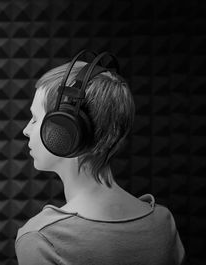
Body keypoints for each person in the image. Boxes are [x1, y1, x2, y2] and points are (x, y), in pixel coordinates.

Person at [16, 50, 185, 265]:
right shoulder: (163, 222)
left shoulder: (41, 239)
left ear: (66, 130)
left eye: (35, 118)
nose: (26, 130)